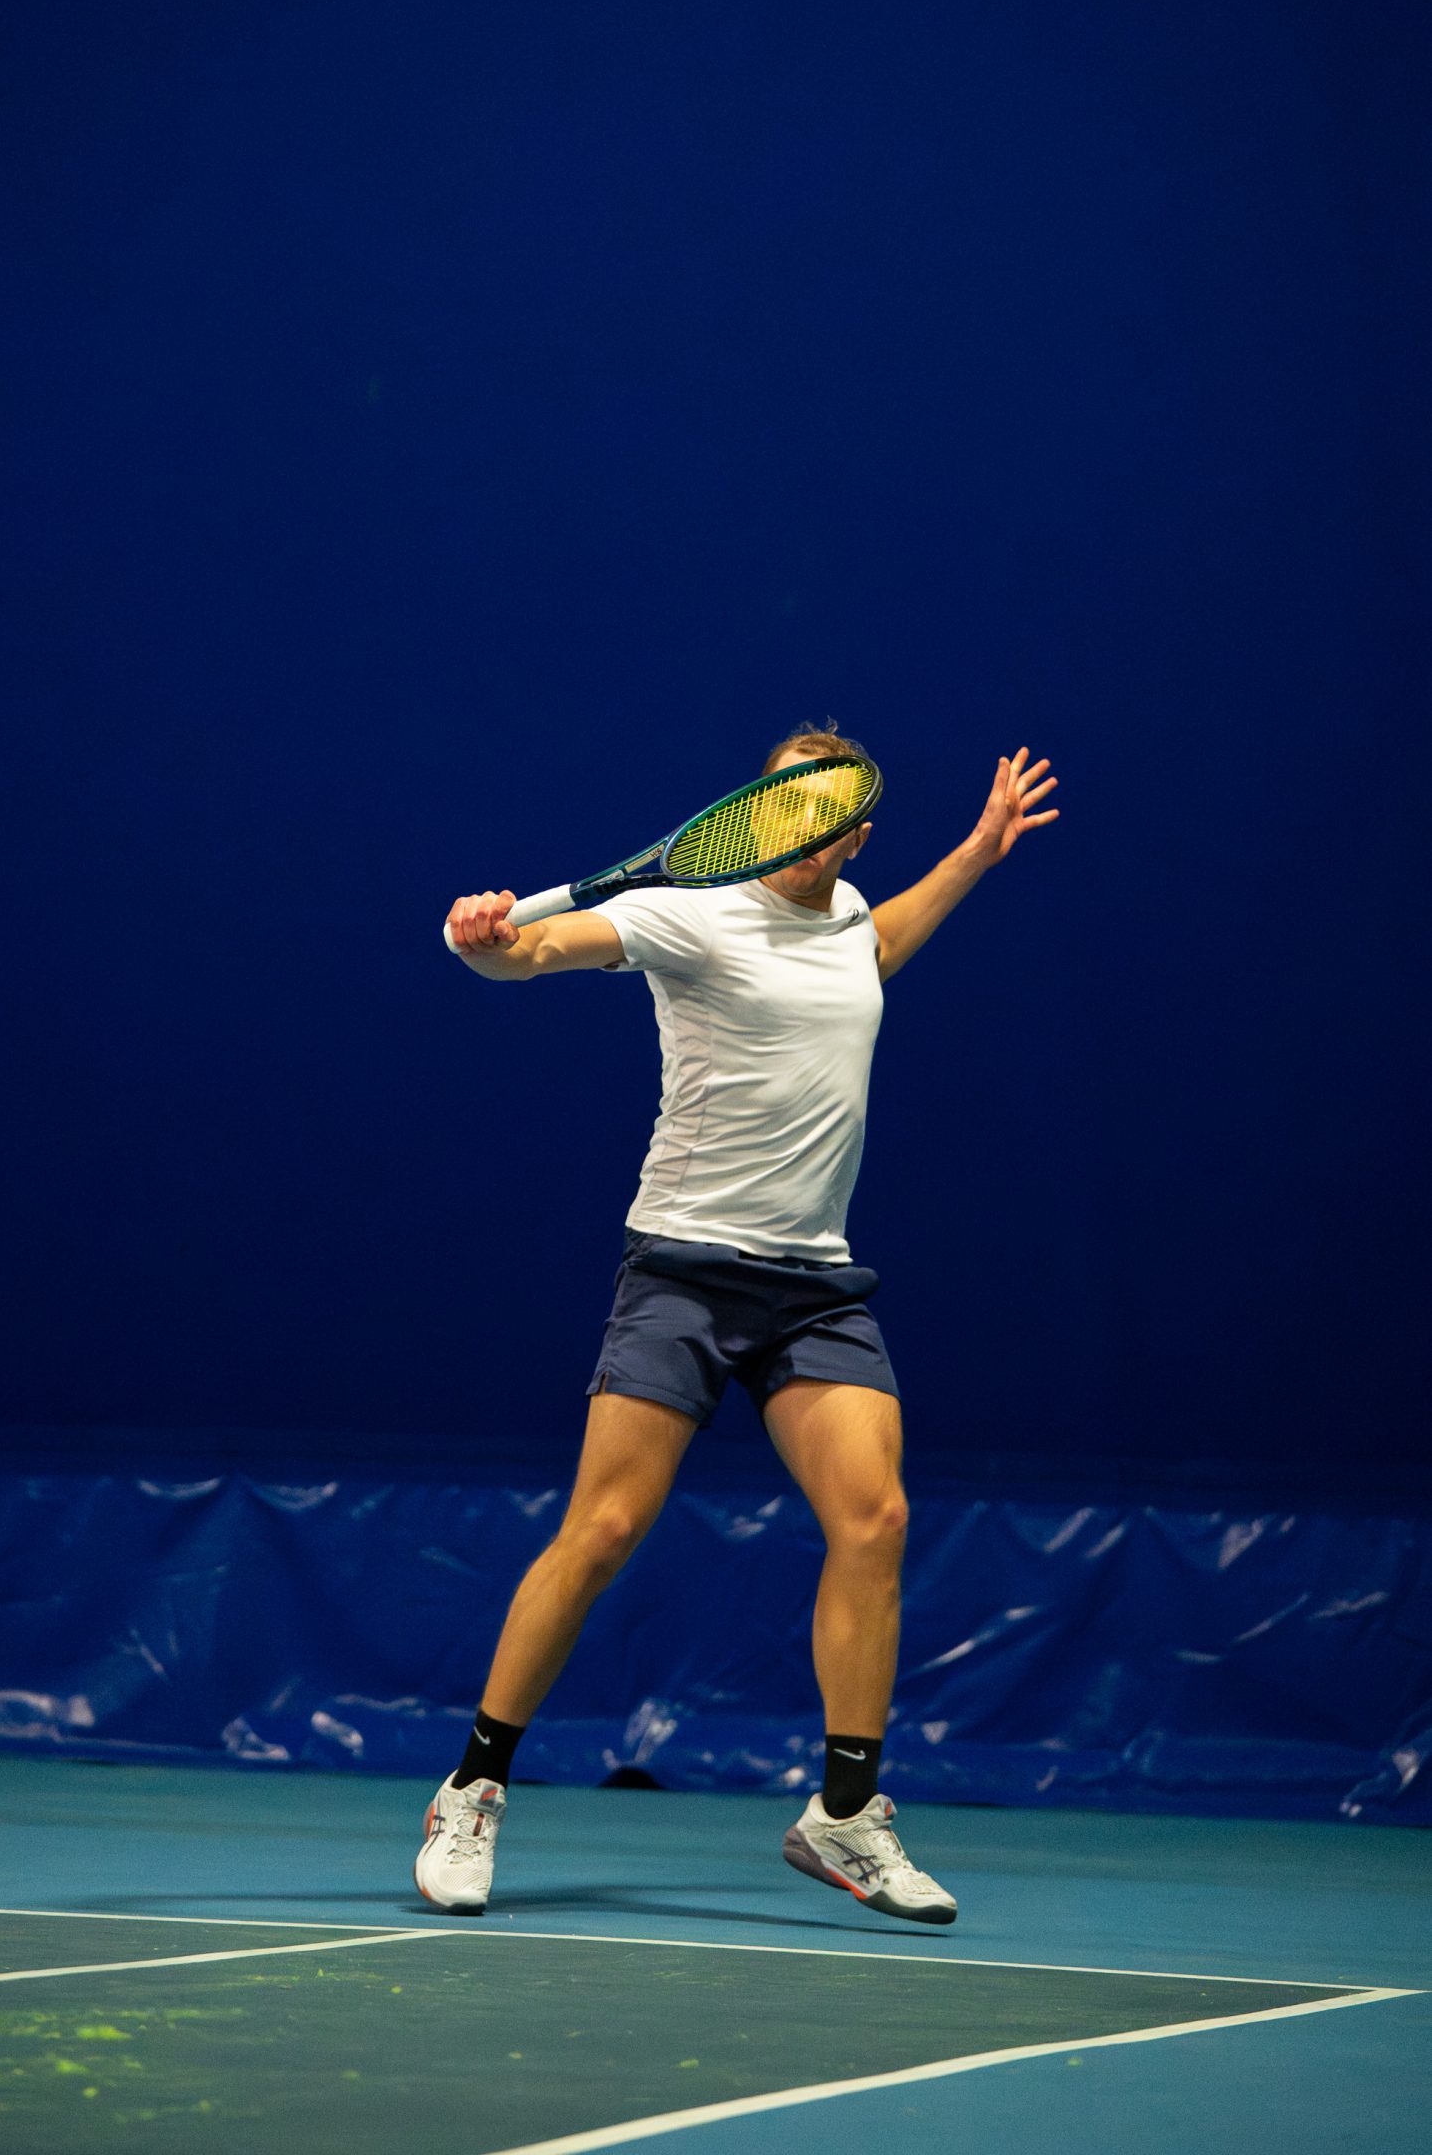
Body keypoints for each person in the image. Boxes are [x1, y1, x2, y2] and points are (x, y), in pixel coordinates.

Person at [417, 727, 1059, 1923]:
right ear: (755, 815)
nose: (802, 829)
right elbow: (542, 949)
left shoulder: (849, 918)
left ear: (854, 834)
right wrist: (483, 941)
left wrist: (973, 855)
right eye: (783, 806)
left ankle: (844, 1817)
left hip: (812, 1284)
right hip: (682, 1271)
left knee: (874, 1520)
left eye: (825, 814)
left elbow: (876, 947)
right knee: (604, 1528)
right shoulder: (690, 916)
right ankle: (473, 1788)